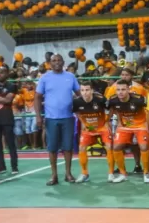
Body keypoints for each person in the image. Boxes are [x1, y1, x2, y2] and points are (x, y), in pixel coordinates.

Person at [34, 54, 80, 186]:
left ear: (63, 62)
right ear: (49, 63)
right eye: (54, 60)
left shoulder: (70, 77)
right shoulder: (44, 78)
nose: (57, 62)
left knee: (68, 147)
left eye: (59, 60)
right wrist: (38, 116)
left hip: (68, 118)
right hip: (51, 118)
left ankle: (68, 173)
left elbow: (79, 94)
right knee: (52, 148)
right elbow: (37, 98)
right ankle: (54, 175)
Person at [104, 66, 147, 173]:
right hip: (118, 119)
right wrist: (113, 121)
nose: (124, 76)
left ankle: (138, 165)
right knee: (118, 143)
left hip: (137, 120)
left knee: (136, 144)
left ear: (131, 76)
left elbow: (145, 105)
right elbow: (110, 104)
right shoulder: (113, 87)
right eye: (122, 74)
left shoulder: (139, 88)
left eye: (127, 74)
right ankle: (120, 167)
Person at [73, 81, 115, 183]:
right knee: (81, 147)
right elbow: (77, 112)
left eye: (87, 90)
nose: (84, 93)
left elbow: (111, 108)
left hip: (102, 127)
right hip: (88, 129)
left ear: (92, 90)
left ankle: (111, 173)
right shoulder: (77, 102)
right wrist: (83, 122)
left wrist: (107, 121)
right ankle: (84, 173)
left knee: (109, 146)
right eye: (82, 90)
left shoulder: (100, 99)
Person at [0, 67, 18, 174]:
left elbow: (8, 100)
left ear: (7, 73)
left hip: (7, 118)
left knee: (10, 143)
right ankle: (1, 166)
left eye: (2, 72)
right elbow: (4, 99)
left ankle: (14, 167)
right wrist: (2, 99)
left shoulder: (11, 86)